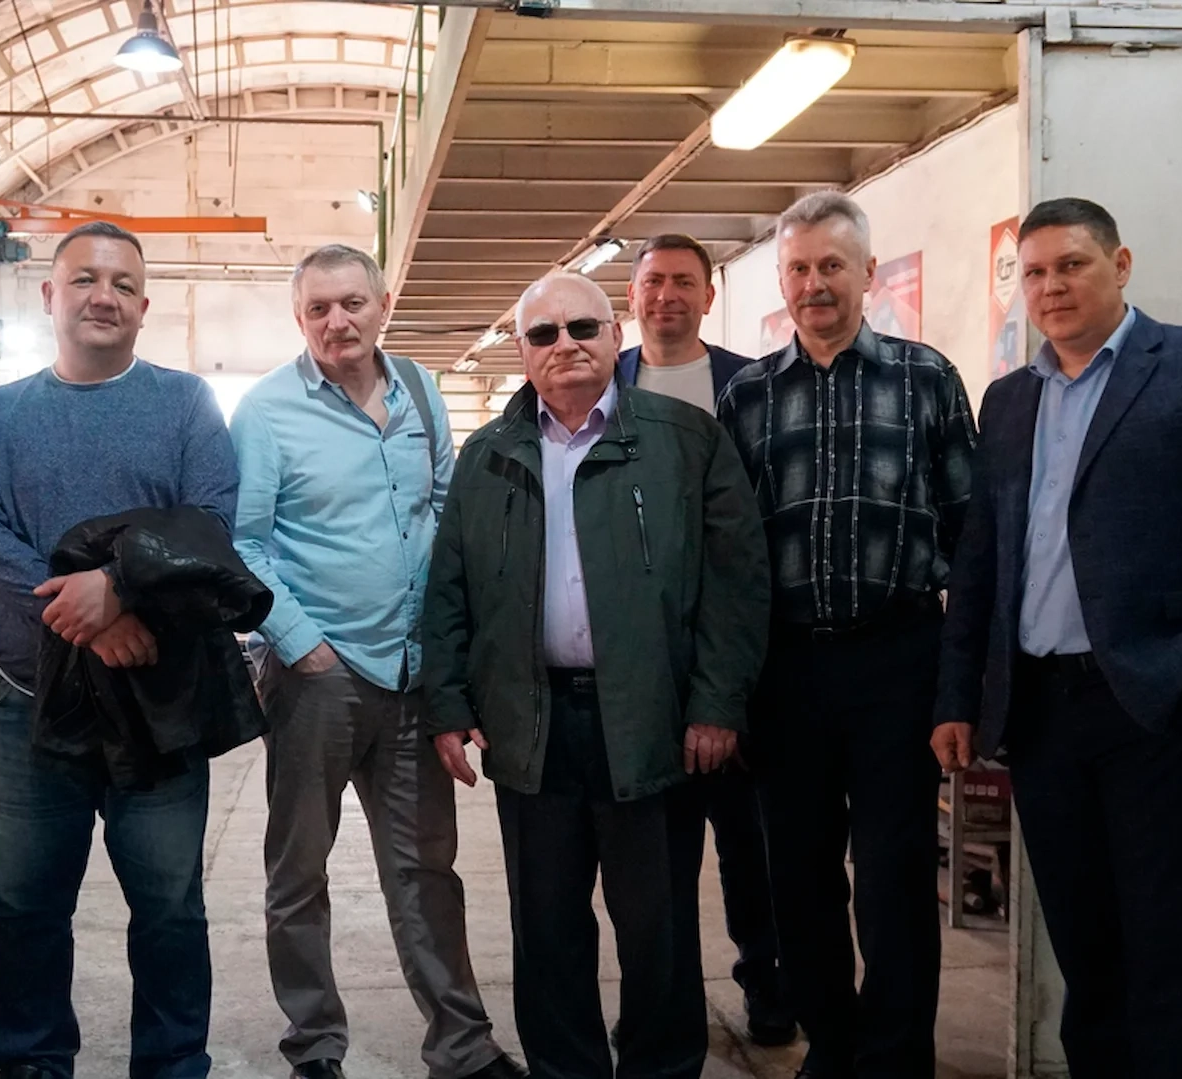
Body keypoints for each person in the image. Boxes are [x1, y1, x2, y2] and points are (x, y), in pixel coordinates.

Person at [932, 198, 1182, 1078]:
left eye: (1072, 265)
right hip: (1039, 713)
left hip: (1151, 707)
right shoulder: (1011, 399)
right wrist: (958, 696)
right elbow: (981, 558)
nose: (1051, 287)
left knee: (1167, 954)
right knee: (1084, 953)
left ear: (1121, 264)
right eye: (1035, 272)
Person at [424, 271, 771, 1079]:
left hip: (650, 720)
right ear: (522, 352)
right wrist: (447, 701)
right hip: (531, 724)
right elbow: (449, 588)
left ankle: (661, 1065)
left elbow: (737, 581)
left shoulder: (686, 440)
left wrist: (717, 703)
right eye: (543, 334)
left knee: (657, 925)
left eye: (582, 327)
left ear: (616, 335)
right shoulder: (488, 457)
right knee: (545, 924)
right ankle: (565, 1067)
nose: (565, 345)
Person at [0, 220, 239, 1079]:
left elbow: (210, 519)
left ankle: (173, 1062)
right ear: (50, 296)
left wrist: (116, 587)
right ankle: (34, 1062)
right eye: (84, 279)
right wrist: (88, 613)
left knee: (170, 904)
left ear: (144, 307)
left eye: (121, 284)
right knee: (28, 902)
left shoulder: (186, 404)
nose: (102, 295)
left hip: (156, 702)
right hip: (24, 702)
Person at [231, 244, 523, 1079]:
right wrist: (304, 645)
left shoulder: (421, 392)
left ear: (383, 305)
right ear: (300, 318)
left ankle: (461, 1046)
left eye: (352, 303)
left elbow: (445, 510)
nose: (338, 321)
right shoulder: (266, 412)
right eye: (318, 309)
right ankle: (315, 1045)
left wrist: (444, 649)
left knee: (426, 867)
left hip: (412, 673)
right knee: (299, 872)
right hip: (314, 679)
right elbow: (243, 543)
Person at [716, 191, 977, 1078]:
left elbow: (971, 535)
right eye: (798, 268)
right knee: (799, 876)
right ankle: (831, 1046)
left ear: (869, 272)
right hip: (786, 669)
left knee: (896, 875)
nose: (814, 283)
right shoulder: (748, 396)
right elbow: (730, 554)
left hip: (898, 659)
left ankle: (896, 1058)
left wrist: (959, 682)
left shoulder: (926, 379)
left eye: (831, 265)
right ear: (781, 280)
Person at [617, 233, 791, 1046]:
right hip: (643, 660)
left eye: (684, 281)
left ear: (708, 295)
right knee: (655, 858)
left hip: (736, 650)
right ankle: (664, 1003)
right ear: (631, 296)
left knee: (750, 843)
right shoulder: (607, 382)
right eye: (653, 281)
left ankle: (768, 984)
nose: (667, 296)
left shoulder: (752, 386)